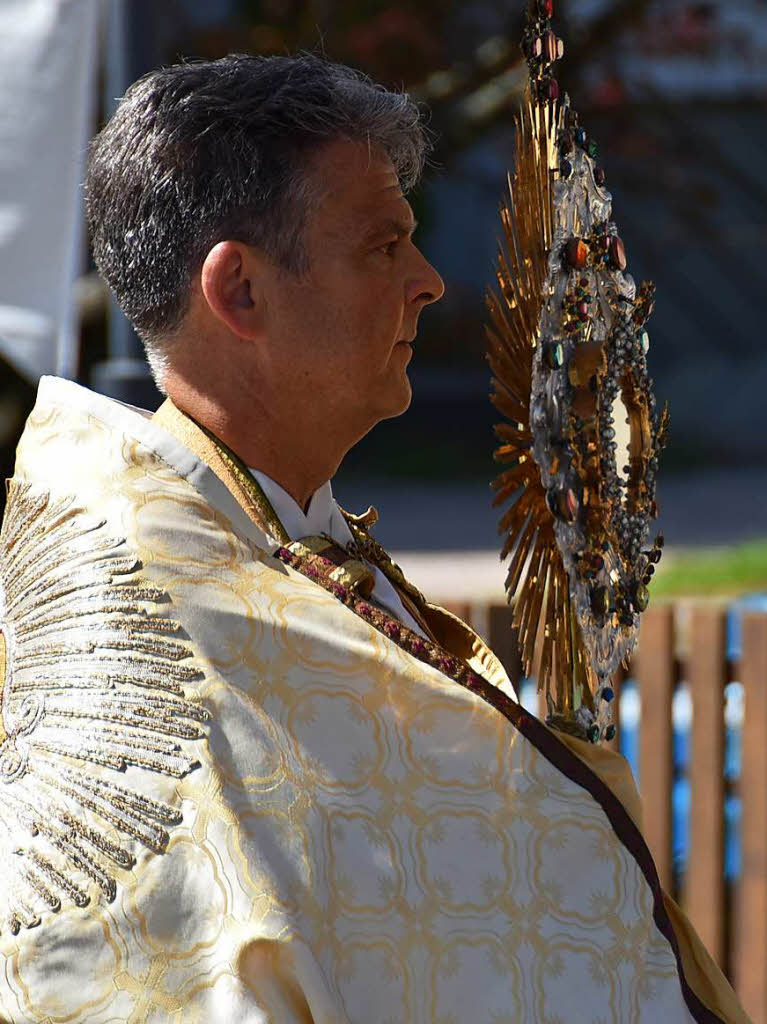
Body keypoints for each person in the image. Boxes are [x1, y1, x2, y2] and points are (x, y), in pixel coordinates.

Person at [0, 54, 746, 1023]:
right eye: (383, 245)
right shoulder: (125, 623)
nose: (430, 281)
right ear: (241, 292)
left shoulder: (275, 543)